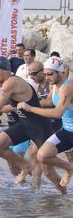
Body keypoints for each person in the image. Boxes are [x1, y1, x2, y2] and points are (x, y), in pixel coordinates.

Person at [0, 56, 56, 188]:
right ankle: (25, 166)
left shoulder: (10, 83)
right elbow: (12, 106)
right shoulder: (7, 84)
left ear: (5, 71)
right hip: (25, 125)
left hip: (40, 127)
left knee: (46, 168)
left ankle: (57, 194)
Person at [17, 56, 73, 193]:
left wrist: (30, 109)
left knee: (42, 156)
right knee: (43, 158)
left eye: (50, 74)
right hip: (67, 130)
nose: (47, 77)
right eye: (46, 74)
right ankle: (63, 197)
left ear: (60, 72)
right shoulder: (54, 86)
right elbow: (49, 103)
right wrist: (21, 103)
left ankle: (69, 168)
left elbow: (57, 113)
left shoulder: (68, 87)